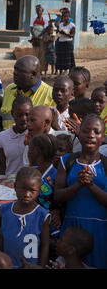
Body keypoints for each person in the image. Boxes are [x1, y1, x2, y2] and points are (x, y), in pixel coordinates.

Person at [54, 115, 107, 269]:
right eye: (86, 131)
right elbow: (58, 196)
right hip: (72, 229)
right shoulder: (67, 161)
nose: (91, 135)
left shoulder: (105, 164)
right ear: (79, 133)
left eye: (96, 132)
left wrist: (91, 186)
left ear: (103, 136)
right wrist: (78, 184)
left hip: (100, 229)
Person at [0, 167, 50, 268]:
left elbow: (45, 245)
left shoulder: (42, 215)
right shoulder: (5, 209)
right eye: (23, 189)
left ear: (39, 190)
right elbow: (2, 237)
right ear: (15, 187)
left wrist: (41, 267)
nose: (27, 194)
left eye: (32, 190)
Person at [0, 55, 55, 130]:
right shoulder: (9, 89)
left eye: (20, 71)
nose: (15, 73)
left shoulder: (51, 95)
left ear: (33, 74)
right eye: (15, 69)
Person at [27, 134, 61, 237]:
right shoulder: (30, 172)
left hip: (49, 223)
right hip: (30, 219)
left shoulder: (55, 176)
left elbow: (60, 201)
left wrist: (57, 211)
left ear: (36, 151)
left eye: (30, 149)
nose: (28, 153)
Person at [0, 95, 32, 175]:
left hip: (29, 181)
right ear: (12, 114)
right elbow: (3, 165)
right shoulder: (2, 137)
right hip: (9, 181)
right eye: (19, 115)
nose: (23, 118)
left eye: (27, 114)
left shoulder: (36, 135)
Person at [55, 9, 76, 75]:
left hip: (68, 44)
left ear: (69, 17)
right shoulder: (61, 24)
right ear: (62, 17)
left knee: (68, 58)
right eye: (64, 16)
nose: (65, 18)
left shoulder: (72, 25)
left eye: (67, 16)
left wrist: (65, 33)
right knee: (61, 58)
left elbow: (72, 35)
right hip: (61, 43)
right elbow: (57, 32)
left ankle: (69, 72)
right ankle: (60, 72)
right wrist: (59, 32)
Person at [29, 4, 49, 73]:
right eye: (37, 11)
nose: (38, 12)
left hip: (42, 39)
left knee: (42, 55)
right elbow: (31, 29)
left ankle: (41, 70)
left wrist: (40, 35)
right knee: (35, 54)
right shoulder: (33, 19)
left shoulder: (45, 20)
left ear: (42, 11)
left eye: (40, 11)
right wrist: (34, 35)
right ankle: (35, 69)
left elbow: (45, 29)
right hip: (35, 39)